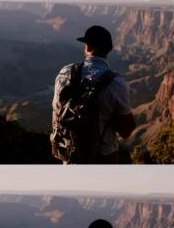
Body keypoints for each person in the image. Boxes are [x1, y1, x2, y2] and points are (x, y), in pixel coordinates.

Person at [51, 25, 136, 164]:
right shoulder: (117, 84)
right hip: (102, 158)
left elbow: (57, 109)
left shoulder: (64, 72)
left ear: (87, 47)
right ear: (109, 50)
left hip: (69, 154)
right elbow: (126, 132)